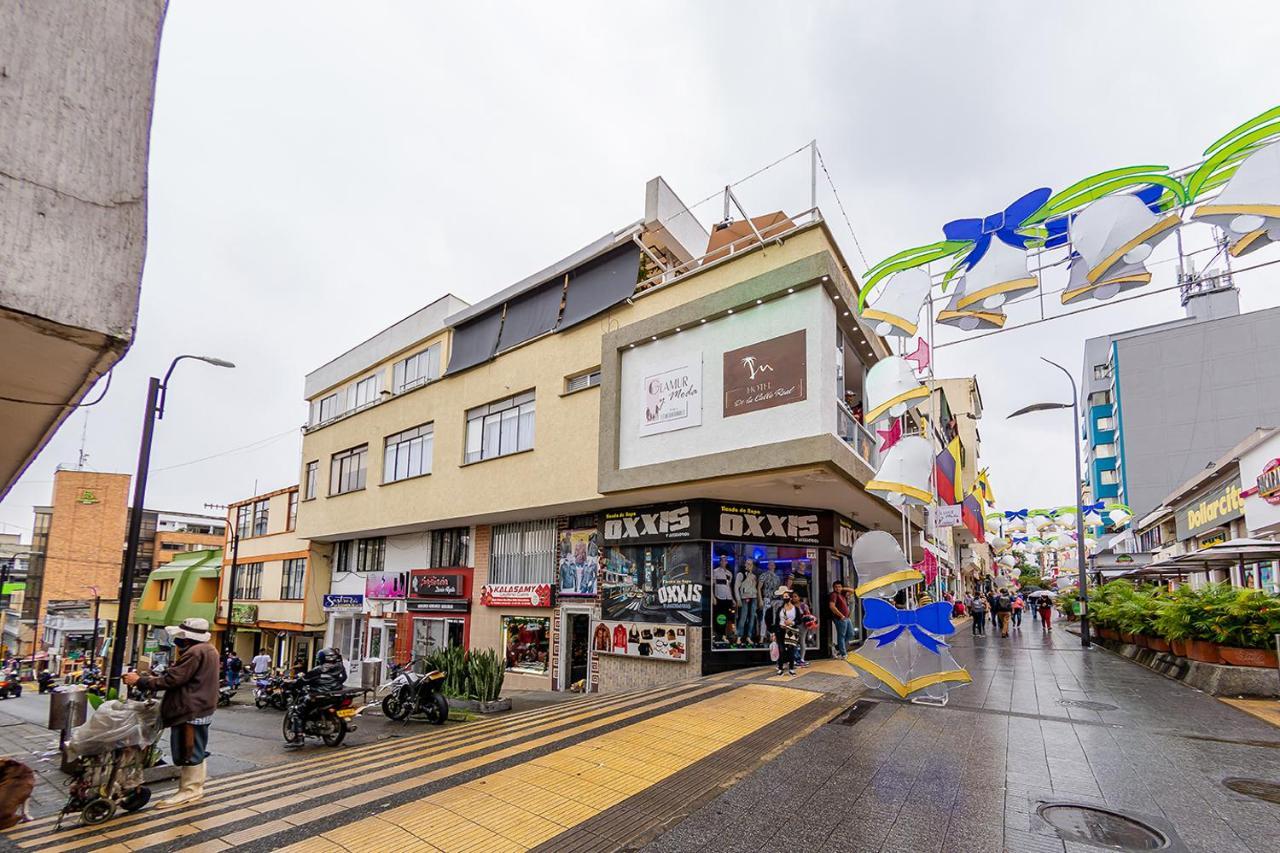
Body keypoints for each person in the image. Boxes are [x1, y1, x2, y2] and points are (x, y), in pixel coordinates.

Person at [122, 617, 219, 809]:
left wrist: (140, 681)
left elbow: (173, 680)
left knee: (189, 748)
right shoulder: (209, 650)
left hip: (190, 709)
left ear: (187, 638)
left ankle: (190, 790)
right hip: (200, 707)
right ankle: (194, 786)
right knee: (195, 746)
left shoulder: (195, 652)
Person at [285, 647, 349, 748]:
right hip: (336, 696)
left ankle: (299, 738)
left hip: (319, 697)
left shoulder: (317, 670)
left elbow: (303, 681)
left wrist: (292, 683)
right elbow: (344, 678)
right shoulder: (339, 666)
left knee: (298, 711)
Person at [773, 588, 799, 677]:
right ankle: (780, 668)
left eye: (787, 596)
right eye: (784, 597)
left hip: (791, 630)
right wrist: (774, 632)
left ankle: (791, 668)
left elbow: (799, 620)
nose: (785, 598)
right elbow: (776, 621)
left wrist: (792, 622)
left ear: (790, 598)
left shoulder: (795, 609)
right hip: (781, 630)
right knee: (781, 650)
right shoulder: (780, 609)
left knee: (791, 650)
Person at [734, 559, 759, 645]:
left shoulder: (754, 576)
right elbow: (736, 587)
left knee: (752, 617)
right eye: (747, 564)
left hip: (753, 597)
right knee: (743, 617)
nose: (749, 566)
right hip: (744, 597)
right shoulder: (740, 574)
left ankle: (749, 636)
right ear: (745, 564)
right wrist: (738, 599)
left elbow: (755, 588)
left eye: (751, 564)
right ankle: (739, 637)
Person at [829, 581, 854, 658]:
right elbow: (832, 606)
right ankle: (843, 653)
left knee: (851, 634)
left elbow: (853, 591)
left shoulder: (842, 594)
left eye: (839, 586)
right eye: (836, 587)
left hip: (846, 618)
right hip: (840, 618)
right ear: (833, 587)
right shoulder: (833, 595)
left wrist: (842, 589)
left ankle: (838, 648)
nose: (838, 588)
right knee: (841, 636)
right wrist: (841, 615)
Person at [792, 591, 815, 667]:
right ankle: (795, 659)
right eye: (792, 596)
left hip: (802, 625)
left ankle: (801, 659)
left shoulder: (803, 605)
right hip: (793, 625)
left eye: (795, 596)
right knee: (793, 642)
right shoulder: (790, 605)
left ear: (799, 597)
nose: (794, 598)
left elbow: (808, 614)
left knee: (802, 641)